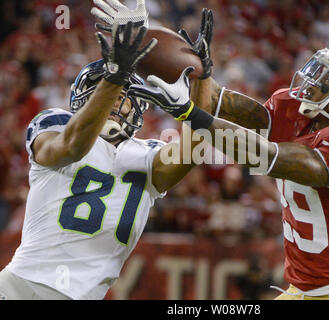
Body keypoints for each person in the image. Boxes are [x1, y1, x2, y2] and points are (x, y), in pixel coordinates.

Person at [131, 12, 329, 299]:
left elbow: (268, 158)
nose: (316, 81)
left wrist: (190, 114)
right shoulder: (301, 113)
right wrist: (199, 74)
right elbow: (219, 102)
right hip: (302, 290)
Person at [0, 9, 210, 299]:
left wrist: (203, 81)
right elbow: (71, 147)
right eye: (107, 89)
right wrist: (114, 77)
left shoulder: (147, 154)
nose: (116, 100)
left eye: (125, 95)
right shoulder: (55, 123)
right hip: (21, 287)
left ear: (137, 108)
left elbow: (194, 148)